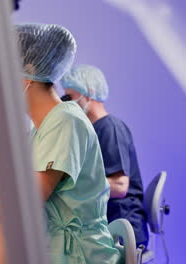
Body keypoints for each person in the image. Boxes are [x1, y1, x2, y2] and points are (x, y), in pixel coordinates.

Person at [0, 24, 121, 264]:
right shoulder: (39, 131)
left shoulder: (66, 121)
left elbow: (21, 206)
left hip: (79, 256)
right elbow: (6, 209)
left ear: (25, 77)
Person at [61, 64, 149, 248]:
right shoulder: (92, 131)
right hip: (106, 227)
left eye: (69, 97)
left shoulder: (110, 128)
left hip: (122, 229)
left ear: (89, 92)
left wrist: (74, 187)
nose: (66, 103)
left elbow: (119, 186)